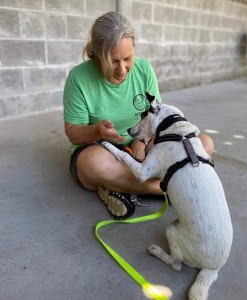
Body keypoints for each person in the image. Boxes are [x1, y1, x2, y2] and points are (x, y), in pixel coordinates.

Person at [63, 12, 214, 221]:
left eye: (127, 59)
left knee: (203, 144)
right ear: (97, 53)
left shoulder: (144, 69)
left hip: (142, 144)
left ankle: (120, 187)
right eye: (112, 61)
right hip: (102, 149)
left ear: (134, 50)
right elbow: (73, 133)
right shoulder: (78, 78)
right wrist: (97, 130)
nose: (122, 70)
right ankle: (163, 188)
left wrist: (142, 140)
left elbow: (157, 117)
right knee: (93, 164)